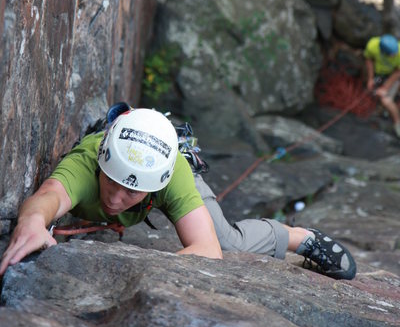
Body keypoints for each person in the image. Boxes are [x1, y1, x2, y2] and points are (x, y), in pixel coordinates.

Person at [0, 107, 357, 280]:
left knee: (228, 242)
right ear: (103, 164)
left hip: (170, 166)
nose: (115, 199)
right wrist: (32, 222)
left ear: (153, 188)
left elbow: (208, 250)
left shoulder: (172, 177)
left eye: (132, 193)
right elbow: (49, 195)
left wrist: (135, 268)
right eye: (112, 182)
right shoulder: (91, 160)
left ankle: (299, 237)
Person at [364, 34, 400, 136]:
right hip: (381, 73)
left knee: (386, 100)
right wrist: (370, 78)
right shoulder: (373, 45)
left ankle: (398, 123)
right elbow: (369, 59)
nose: (395, 55)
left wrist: (385, 88)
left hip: (395, 75)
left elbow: (398, 72)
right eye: (392, 54)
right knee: (374, 92)